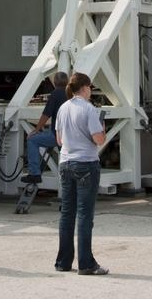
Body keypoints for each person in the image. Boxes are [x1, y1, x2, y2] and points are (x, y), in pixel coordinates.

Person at [54, 72, 107, 276]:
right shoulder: (89, 109)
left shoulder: (63, 108)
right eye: (90, 87)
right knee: (85, 215)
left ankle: (63, 262)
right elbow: (99, 140)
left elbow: (59, 140)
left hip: (65, 163)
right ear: (85, 88)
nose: (91, 90)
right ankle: (86, 264)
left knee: (67, 214)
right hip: (86, 163)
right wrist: (102, 127)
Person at [23, 71, 68, 183]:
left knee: (32, 140)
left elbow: (46, 114)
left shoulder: (55, 94)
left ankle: (34, 174)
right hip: (70, 135)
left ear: (54, 81)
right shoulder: (71, 94)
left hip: (57, 135)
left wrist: (37, 129)